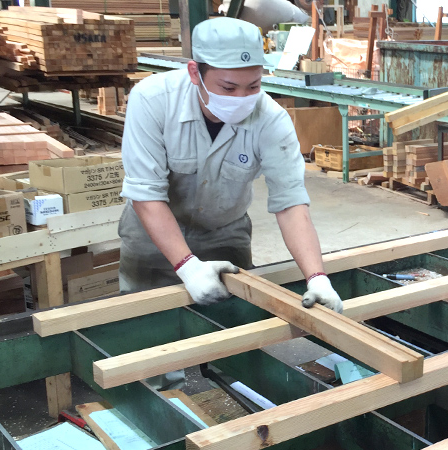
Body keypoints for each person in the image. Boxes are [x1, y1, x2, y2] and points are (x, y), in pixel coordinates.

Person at [119, 18, 342, 321]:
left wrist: (317, 278)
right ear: (195, 73)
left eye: (253, 86)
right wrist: (188, 267)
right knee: (144, 328)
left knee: (232, 325)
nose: (241, 98)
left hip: (224, 235)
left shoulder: (271, 120)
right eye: (228, 87)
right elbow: (146, 194)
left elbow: (290, 203)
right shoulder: (153, 100)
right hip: (151, 237)